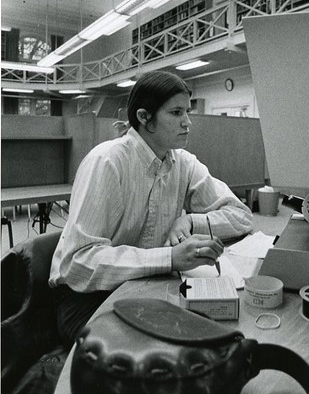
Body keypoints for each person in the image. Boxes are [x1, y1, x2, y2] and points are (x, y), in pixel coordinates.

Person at [49, 70, 253, 347]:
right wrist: (169, 258)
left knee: (211, 332)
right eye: (176, 113)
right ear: (144, 118)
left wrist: (190, 222)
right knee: (160, 351)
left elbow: (241, 216)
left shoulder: (183, 162)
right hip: (89, 298)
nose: (188, 122)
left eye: (187, 112)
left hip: (147, 284)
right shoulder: (107, 162)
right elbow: (79, 263)